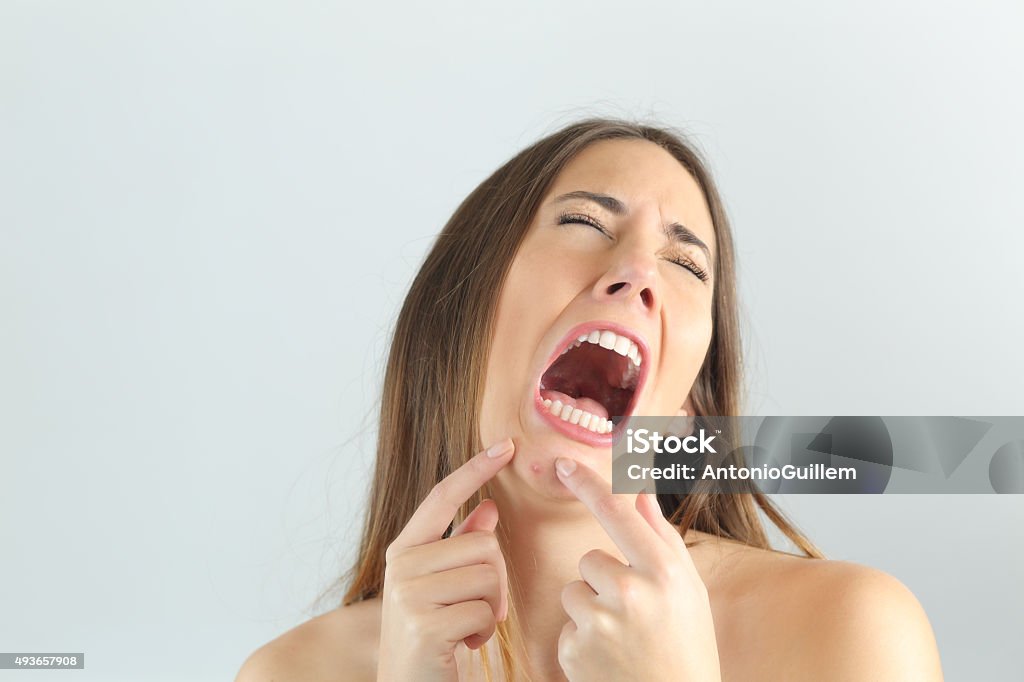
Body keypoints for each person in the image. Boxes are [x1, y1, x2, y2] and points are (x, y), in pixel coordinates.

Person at [236, 118, 943, 681]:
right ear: (461, 320)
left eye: (685, 263)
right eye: (584, 223)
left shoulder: (851, 632)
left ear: (682, 416)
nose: (637, 272)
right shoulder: (292, 674)